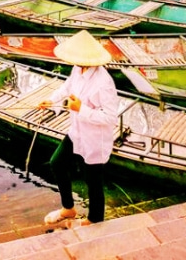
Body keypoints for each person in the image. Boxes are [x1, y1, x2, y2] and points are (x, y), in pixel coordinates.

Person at [38, 30, 119, 225]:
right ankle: (68, 208)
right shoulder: (78, 69)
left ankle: (95, 220)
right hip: (77, 132)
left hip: (94, 138)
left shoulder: (104, 83)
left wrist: (81, 109)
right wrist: (51, 100)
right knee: (57, 163)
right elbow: (67, 87)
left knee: (93, 182)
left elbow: (110, 117)